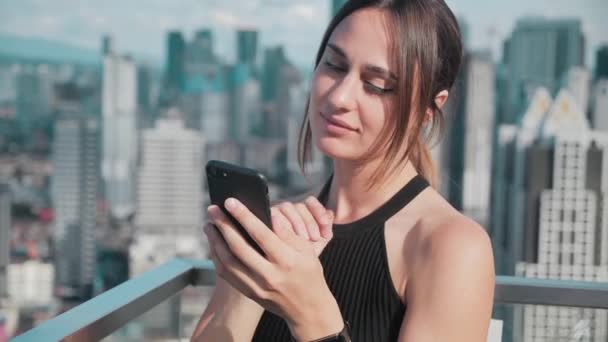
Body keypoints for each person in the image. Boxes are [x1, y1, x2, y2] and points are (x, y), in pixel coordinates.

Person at [191, 0, 495, 341]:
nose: (340, 97)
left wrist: (312, 314)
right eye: (334, 65)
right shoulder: (283, 226)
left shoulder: (451, 246)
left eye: (377, 84)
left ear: (429, 108)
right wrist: (248, 272)